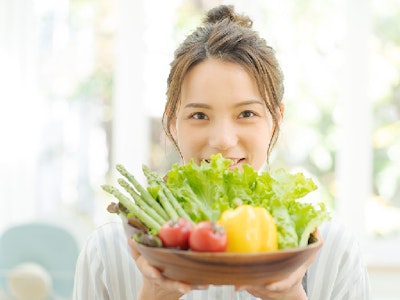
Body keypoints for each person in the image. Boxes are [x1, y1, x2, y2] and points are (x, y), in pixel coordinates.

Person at [73, 5, 371, 300]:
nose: (223, 141)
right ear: (171, 123)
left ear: (277, 119)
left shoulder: (333, 254)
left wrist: (289, 296)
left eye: (246, 114)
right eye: (199, 116)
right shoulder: (108, 253)